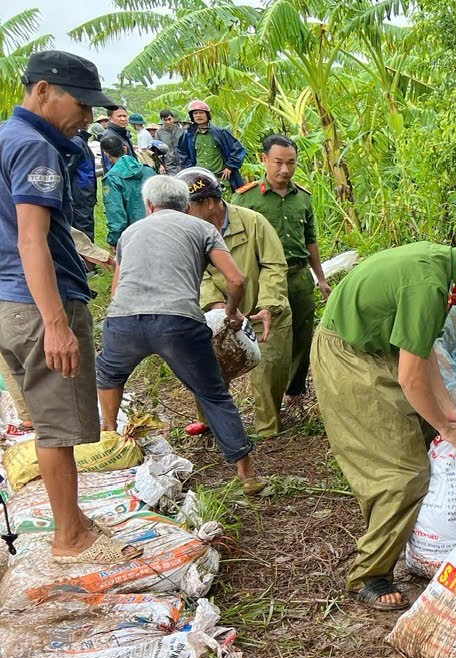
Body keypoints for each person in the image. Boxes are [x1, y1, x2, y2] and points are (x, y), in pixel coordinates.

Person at [312, 225, 456, 611]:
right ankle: (369, 574)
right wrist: (446, 426)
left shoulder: (440, 267)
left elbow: (422, 353)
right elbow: (410, 377)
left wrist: (451, 415)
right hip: (349, 356)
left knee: (426, 436)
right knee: (403, 474)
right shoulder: (429, 285)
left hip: (376, 351)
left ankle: (410, 538)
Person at [0, 50, 139, 564]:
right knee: (59, 428)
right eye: (80, 104)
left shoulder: (6, 138)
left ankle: (73, 520)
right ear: (42, 91)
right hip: (39, 304)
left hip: (9, 302)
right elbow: (32, 242)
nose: (86, 117)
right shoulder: (35, 148)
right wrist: (57, 325)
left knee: (44, 419)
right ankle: (70, 538)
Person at [96, 175, 262, 493]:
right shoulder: (202, 228)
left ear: (149, 205)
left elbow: (116, 290)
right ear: (186, 205)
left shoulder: (129, 233)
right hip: (179, 321)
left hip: (125, 320)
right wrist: (230, 313)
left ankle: (109, 438)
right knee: (213, 393)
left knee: (109, 376)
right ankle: (246, 474)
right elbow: (236, 280)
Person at [179, 167, 292, 438]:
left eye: (187, 207)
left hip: (263, 309)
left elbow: (274, 265)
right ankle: (212, 425)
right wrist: (217, 306)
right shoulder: (187, 231)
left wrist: (268, 305)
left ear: (209, 203)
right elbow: (194, 273)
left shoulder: (253, 222)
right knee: (206, 367)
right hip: (216, 312)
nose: (182, 213)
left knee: (267, 372)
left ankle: (267, 431)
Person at [232, 134, 330, 408]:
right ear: (264, 160)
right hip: (264, 278)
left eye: (291, 163)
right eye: (278, 162)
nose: (284, 170)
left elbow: (310, 240)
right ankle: (266, 397)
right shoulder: (247, 199)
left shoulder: (303, 198)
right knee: (268, 337)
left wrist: (320, 278)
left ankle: (294, 391)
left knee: (302, 335)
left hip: (299, 276)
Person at [100, 133, 155, 248]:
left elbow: (115, 211)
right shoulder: (149, 170)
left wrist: (114, 240)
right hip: (157, 229)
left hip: (133, 235)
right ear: (125, 149)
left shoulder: (112, 178)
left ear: (106, 154)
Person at [177, 100, 246, 188]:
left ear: (207, 115)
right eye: (195, 113)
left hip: (221, 178)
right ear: (192, 116)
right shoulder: (188, 135)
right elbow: (182, 152)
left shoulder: (220, 133)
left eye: (201, 113)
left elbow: (238, 149)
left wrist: (230, 167)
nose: (198, 115)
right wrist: (191, 168)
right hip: (200, 179)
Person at [70, 124, 97, 241]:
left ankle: (86, 258)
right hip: (84, 193)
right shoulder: (80, 141)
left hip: (80, 195)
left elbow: (66, 169)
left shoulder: (76, 142)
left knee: (83, 233)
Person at [100, 104, 134, 169]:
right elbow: (110, 166)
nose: (123, 119)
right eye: (119, 116)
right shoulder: (109, 138)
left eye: (125, 116)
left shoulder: (125, 134)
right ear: (110, 118)